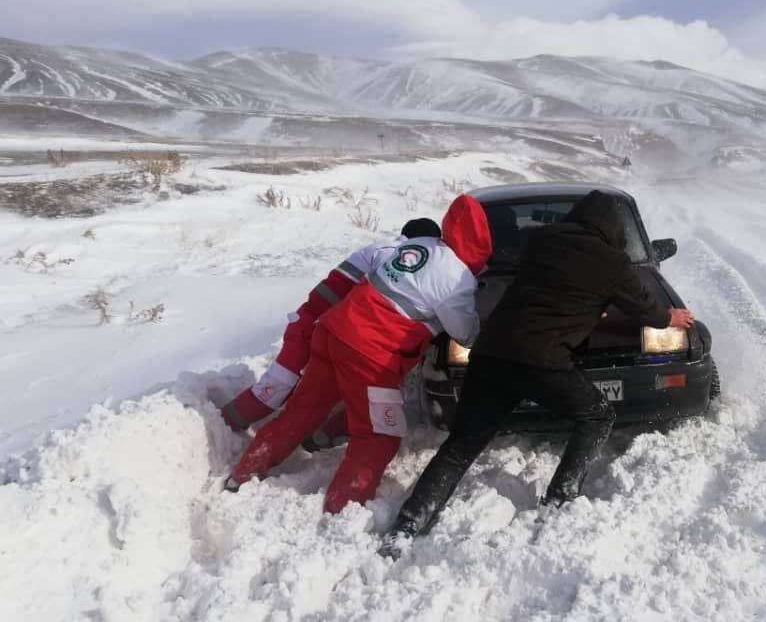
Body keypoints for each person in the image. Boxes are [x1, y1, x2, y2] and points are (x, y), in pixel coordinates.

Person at [380, 190, 693, 557]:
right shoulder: (612, 262)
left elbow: (551, 286)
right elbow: (646, 308)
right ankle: (561, 499)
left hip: (492, 352)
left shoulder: (543, 241)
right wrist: (669, 318)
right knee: (596, 416)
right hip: (541, 360)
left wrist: (589, 309)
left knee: (460, 447)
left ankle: (407, 525)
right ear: (614, 230)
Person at [224, 195, 492, 514]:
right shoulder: (456, 278)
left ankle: (243, 475)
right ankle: (343, 510)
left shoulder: (421, 246)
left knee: (302, 410)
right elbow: (463, 332)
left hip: (333, 331)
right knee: (380, 433)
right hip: (370, 353)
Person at [220, 217, 443, 433]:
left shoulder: (384, 248)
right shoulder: (396, 256)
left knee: (308, 390)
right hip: (314, 325)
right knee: (278, 385)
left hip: (317, 323)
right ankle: (223, 424)